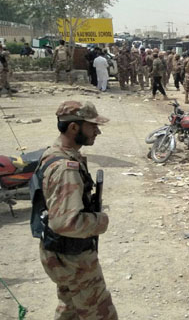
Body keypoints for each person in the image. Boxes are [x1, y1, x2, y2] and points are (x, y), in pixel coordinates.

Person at [35, 101, 118, 320]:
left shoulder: (54, 153)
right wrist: (101, 221)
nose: (97, 131)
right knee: (101, 313)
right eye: (92, 126)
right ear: (74, 128)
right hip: (72, 258)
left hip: (59, 253)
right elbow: (66, 223)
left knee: (69, 306)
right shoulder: (65, 168)